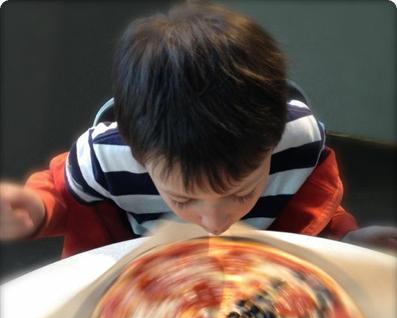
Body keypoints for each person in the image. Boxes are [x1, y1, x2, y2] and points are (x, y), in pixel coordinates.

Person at [0, 1, 396, 257]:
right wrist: (37, 210)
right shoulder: (107, 157)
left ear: (273, 141)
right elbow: (65, 194)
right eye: (184, 200)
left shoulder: (298, 142)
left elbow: (316, 211)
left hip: (262, 277)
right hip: (146, 285)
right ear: (137, 153)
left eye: (241, 193)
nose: (215, 221)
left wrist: (348, 243)